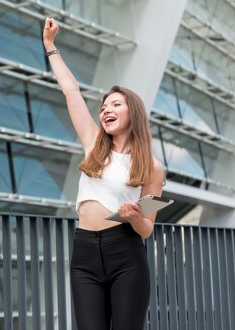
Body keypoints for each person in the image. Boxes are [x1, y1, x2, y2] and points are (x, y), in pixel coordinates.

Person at [42, 17, 164, 330]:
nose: (106, 110)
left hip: (126, 253)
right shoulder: (94, 143)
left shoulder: (151, 166)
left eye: (115, 105)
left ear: (132, 112)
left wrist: (135, 216)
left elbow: (148, 228)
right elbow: (71, 91)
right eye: (104, 107)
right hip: (84, 252)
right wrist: (51, 47)